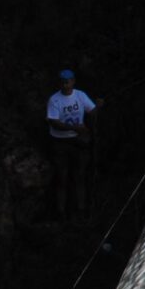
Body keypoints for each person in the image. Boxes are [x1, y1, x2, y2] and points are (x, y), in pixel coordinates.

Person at [45, 68, 98, 217]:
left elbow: (92, 110)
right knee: (62, 176)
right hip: (60, 142)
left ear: (73, 81)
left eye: (68, 82)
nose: (65, 85)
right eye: (63, 82)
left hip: (77, 141)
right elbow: (54, 122)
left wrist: (96, 109)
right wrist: (76, 128)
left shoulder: (80, 96)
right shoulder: (54, 100)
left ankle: (80, 209)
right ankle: (61, 211)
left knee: (79, 175)